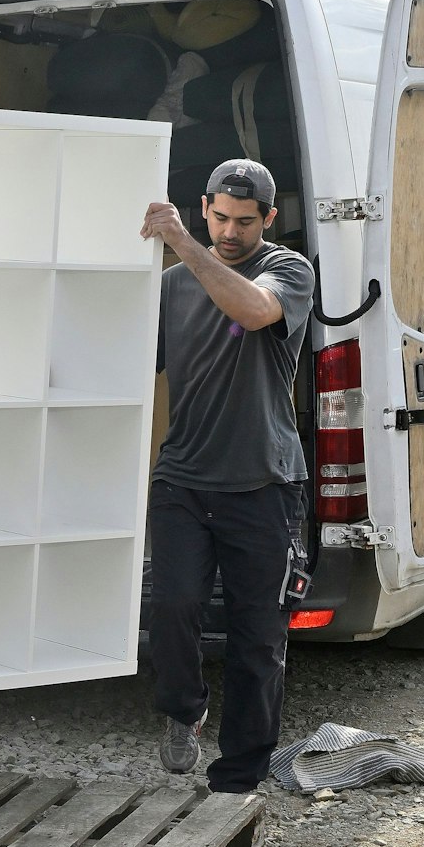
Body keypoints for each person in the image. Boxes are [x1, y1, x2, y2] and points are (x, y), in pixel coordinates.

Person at [138, 159, 315, 793]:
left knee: (257, 638)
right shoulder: (173, 287)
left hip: (263, 484)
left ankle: (238, 776)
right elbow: (128, 364)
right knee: (174, 603)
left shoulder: (288, 271)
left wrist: (182, 239)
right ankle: (184, 712)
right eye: (219, 218)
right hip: (183, 477)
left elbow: (256, 310)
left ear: (269, 218)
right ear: (205, 205)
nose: (230, 231)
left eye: (245, 221)